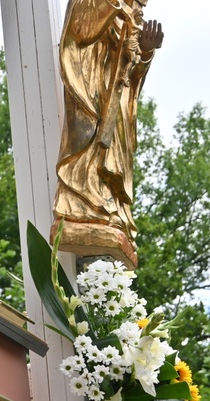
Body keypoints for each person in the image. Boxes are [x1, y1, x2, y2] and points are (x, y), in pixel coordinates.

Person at [53, 0, 163, 251]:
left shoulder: (130, 14)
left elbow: (133, 75)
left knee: (115, 156)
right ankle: (85, 203)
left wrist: (145, 52)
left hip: (117, 99)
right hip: (94, 92)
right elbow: (81, 30)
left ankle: (111, 206)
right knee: (91, 148)